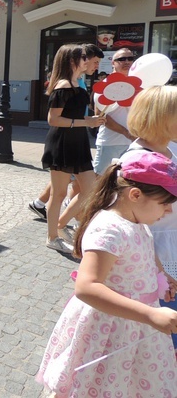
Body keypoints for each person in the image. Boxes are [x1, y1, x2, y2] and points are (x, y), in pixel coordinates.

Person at [36, 151, 177, 396]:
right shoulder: (110, 230)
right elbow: (87, 287)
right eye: (165, 203)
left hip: (136, 326)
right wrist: (151, 315)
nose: (168, 211)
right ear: (135, 195)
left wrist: (161, 277)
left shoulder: (138, 221)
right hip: (109, 331)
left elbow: (145, 254)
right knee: (100, 385)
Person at [122, 85, 177, 352]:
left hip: (170, 246)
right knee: (162, 331)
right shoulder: (140, 161)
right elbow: (135, 222)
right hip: (158, 255)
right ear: (161, 118)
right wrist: (161, 272)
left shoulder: (169, 150)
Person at [41, 44, 105, 253]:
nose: (87, 61)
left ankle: (60, 225)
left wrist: (90, 120)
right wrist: (86, 122)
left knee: (92, 189)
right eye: (84, 57)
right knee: (58, 194)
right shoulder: (63, 86)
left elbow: (73, 116)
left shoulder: (76, 83)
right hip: (62, 143)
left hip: (78, 142)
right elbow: (53, 119)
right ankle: (52, 237)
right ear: (71, 61)